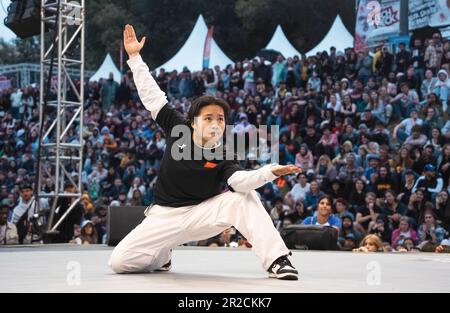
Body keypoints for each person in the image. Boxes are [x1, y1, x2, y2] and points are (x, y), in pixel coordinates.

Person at [109, 25, 301, 280]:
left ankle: (277, 260)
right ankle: (161, 255)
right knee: (119, 263)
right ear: (192, 122)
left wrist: (268, 172)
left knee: (243, 197)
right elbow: (152, 96)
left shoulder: (224, 153)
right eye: (208, 117)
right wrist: (134, 58)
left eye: (220, 119)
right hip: (163, 216)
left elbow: (238, 182)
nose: (215, 123)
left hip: (201, 215)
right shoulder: (177, 128)